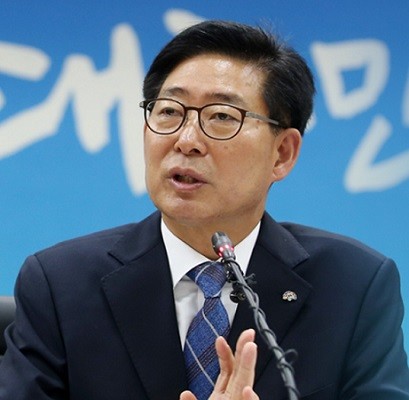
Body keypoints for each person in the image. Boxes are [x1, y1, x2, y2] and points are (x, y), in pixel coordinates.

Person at [0, 19, 408, 400]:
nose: (186, 140)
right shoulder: (60, 285)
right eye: (169, 112)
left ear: (282, 153)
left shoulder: (353, 286)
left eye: (221, 117)